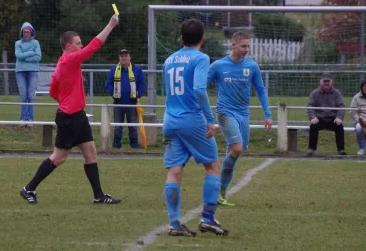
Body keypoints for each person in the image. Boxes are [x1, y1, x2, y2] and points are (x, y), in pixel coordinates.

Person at [19, 15, 122, 205]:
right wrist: (110, 25)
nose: (81, 46)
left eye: (81, 43)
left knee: (90, 152)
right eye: (78, 43)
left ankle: (99, 196)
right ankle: (29, 188)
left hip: (78, 115)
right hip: (69, 118)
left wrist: (66, 99)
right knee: (59, 157)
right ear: (68, 46)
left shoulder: (65, 63)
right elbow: (94, 46)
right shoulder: (68, 61)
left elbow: (53, 91)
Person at [162, 18, 229, 237]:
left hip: (170, 120)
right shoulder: (201, 58)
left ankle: (174, 224)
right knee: (212, 167)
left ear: (181, 38)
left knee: (174, 171)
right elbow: (200, 89)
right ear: (203, 38)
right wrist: (210, 119)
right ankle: (208, 219)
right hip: (192, 120)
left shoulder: (169, 60)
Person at [207, 32, 271, 207]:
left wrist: (268, 114)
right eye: (243, 46)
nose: (246, 50)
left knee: (233, 153)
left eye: (248, 46)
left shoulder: (252, 67)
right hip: (225, 112)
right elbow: (201, 86)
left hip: (243, 115)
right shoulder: (218, 66)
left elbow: (261, 90)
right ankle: (219, 187)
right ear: (233, 45)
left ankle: (220, 192)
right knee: (237, 148)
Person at [104, 49, 146, 149]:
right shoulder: (114, 70)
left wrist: (138, 94)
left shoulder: (137, 70)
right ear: (119, 58)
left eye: (125, 56)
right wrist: (113, 93)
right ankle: (116, 144)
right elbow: (108, 84)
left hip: (132, 103)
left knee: (133, 125)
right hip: (118, 103)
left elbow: (142, 84)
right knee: (117, 125)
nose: (124, 58)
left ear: (129, 57)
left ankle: (134, 144)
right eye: (122, 56)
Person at [306, 72, 346, 156]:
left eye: (328, 81)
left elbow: (341, 106)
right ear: (321, 82)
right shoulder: (314, 93)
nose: (326, 83)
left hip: (333, 118)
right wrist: (312, 117)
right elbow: (310, 106)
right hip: (319, 118)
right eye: (325, 81)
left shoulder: (337, 93)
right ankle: (311, 149)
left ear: (332, 82)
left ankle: (341, 149)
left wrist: (339, 117)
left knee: (339, 126)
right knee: (313, 126)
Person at [14, 22, 41, 127]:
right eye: (24, 32)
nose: (26, 34)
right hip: (20, 71)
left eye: (28, 32)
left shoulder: (36, 43)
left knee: (30, 95)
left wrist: (25, 57)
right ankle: (22, 118)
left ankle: (30, 119)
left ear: (31, 33)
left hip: (33, 71)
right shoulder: (18, 43)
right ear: (22, 32)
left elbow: (38, 57)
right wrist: (31, 53)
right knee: (23, 95)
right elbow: (18, 56)